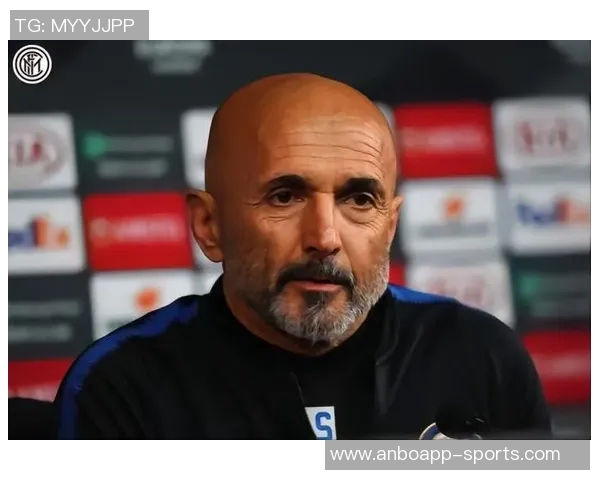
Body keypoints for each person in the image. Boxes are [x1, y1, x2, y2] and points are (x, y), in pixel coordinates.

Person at [54, 73, 551, 440]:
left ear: (390, 226)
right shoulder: (121, 386)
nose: (325, 238)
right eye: (285, 197)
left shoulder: (481, 356)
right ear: (209, 226)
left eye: (359, 200)